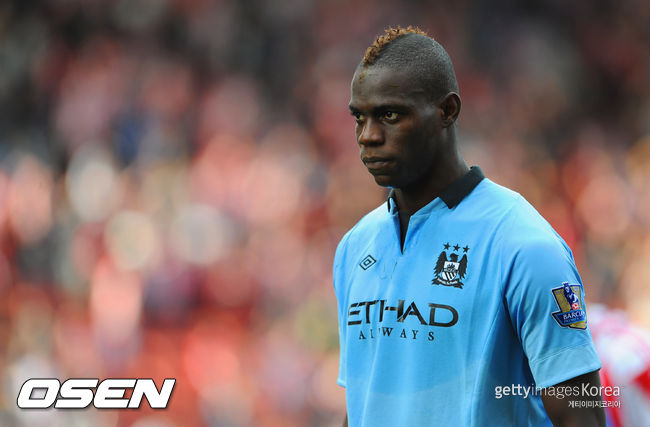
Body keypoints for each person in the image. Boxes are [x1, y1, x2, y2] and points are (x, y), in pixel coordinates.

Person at [333, 26, 606, 426]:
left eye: (390, 115)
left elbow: (582, 412)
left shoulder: (524, 245)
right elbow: (363, 402)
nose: (368, 136)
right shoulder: (355, 247)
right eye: (360, 117)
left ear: (447, 110)